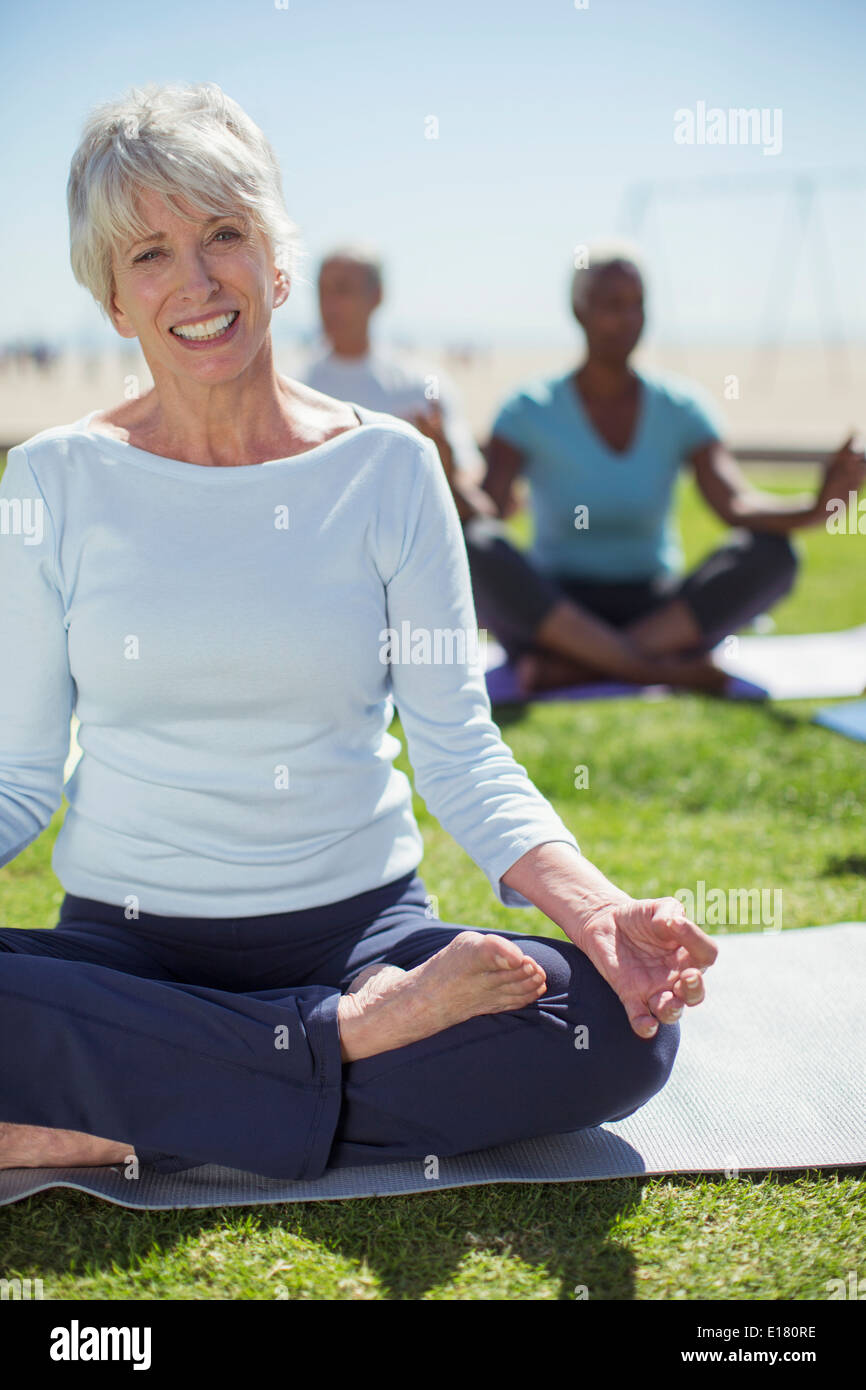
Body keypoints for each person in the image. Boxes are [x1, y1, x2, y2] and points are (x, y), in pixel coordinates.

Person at [0, 84, 717, 1181]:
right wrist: (346, 1027)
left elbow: (459, 749)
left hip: (359, 940)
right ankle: (327, 1045)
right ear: (111, 297)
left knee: (614, 1029)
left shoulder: (388, 468)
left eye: (223, 235)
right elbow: (20, 777)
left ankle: (131, 1110)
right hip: (130, 947)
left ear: (275, 262)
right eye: (149, 253)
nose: (195, 282)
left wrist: (602, 911)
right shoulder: (51, 480)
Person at [464, 244, 866, 695]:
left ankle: (577, 668)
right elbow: (488, 512)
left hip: (657, 608)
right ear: (580, 311)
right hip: (556, 608)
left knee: (774, 555)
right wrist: (441, 466)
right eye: (613, 305)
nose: (629, 319)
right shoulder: (528, 409)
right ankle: (657, 669)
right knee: (475, 546)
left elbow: (734, 503)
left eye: (637, 305)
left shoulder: (681, 407)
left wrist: (818, 506)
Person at [298, 245, 487, 485]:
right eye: (323, 291)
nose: (330, 303)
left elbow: (468, 468)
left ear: (377, 295)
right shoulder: (293, 385)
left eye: (343, 289)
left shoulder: (423, 385)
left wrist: (443, 465)